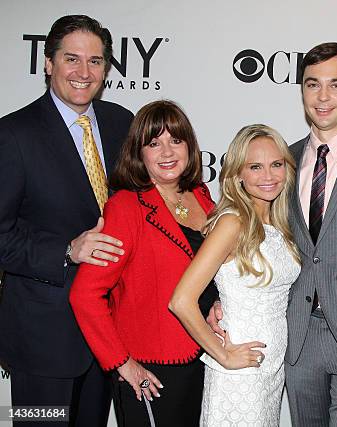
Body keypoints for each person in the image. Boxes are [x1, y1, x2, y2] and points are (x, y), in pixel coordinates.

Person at [209, 42, 337, 426]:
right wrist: (221, 302)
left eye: (336, 85)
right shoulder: (280, 163)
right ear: (302, 91)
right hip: (297, 341)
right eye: (312, 85)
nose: (322, 97)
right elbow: (252, 243)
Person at [0, 15, 133, 426]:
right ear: (48, 63)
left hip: (108, 333)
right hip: (44, 340)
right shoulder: (13, 134)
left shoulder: (121, 123)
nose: (84, 72)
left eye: (95, 61)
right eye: (71, 59)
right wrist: (66, 251)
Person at [69, 100, 216, 426]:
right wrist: (122, 363)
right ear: (139, 152)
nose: (167, 152)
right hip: (151, 368)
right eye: (154, 143)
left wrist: (217, 302)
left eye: (175, 140)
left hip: (203, 358)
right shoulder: (126, 207)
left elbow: (209, 271)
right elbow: (85, 295)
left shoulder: (202, 196)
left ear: (190, 147)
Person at [170, 124, 301, 426]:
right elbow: (181, 300)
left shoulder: (280, 224)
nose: (268, 176)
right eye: (255, 167)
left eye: (276, 164)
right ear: (238, 174)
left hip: (270, 370)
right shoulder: (233, 222)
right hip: (237, 372)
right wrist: (223, 355)